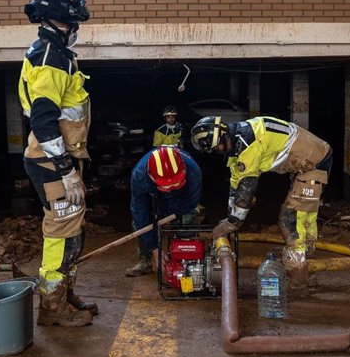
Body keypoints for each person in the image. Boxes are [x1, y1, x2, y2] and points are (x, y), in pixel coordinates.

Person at [19, 0, 97, 327]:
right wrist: (65, 169)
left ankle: (63, 294)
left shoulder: (55, 53)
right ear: (53, 22)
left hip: (59, 157)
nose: (74, 30)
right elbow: (43, 117)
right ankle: (52, 307)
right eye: (70, 24)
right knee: (61, 232)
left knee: (73, 228)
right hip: (52, 161)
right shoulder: (51, 58)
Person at [190, 116, 332, 257]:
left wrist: (234, 222)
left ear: (222, 137)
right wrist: (230, 216)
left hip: (315, 162)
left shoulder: (248, 143)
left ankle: (297, 266)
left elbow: (247, 186)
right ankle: (307, 253)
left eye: (218, 148)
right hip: (305, 163)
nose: (219, 151)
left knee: (291, 216)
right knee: (307, 212)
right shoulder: (236, 143)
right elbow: (236, 184)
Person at [126, 145, 202, 276]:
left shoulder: (193, 171)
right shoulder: (139, 176)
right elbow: (140, 211)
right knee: (140, 224)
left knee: (187, 219)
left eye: (175, 184)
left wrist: (171, 217)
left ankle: (185, 260)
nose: (171, 187)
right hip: (154, 195)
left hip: (181, 199)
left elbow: (189, 203)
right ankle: (145, 261)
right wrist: (155, 247)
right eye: (168, 186)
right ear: (151, 176)